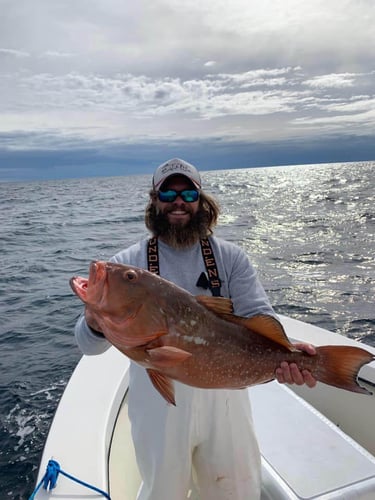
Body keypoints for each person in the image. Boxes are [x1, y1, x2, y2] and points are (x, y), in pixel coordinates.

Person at [75, 158, 316, 500]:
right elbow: (88, 346)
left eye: (188, 193)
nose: (178, 201)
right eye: (168, 193)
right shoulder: (125, 264)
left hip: (226, 391)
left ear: (201, 200)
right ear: (154, 199)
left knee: (235, 489)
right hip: (158, 397)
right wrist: (94, 320)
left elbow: (260, 316)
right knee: (163, 490)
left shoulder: (231, 258)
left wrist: (290, 350)